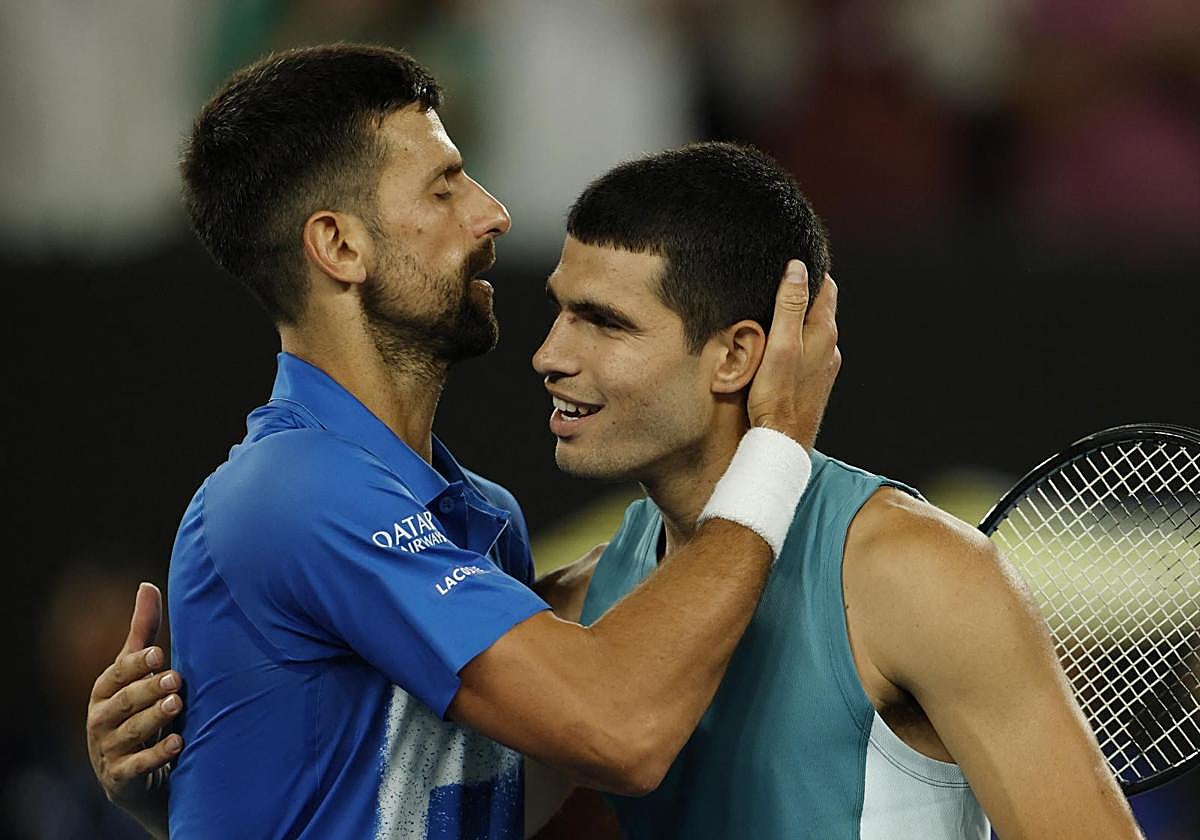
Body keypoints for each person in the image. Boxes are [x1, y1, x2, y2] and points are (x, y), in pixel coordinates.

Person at [84, 45, 840, 840]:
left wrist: (182, 794)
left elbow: (440, 804)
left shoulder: (485, 518)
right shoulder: (293, 492)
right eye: (443, 189)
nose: (492, 214)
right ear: (340, 246)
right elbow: (620, 730)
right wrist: (777, 446)